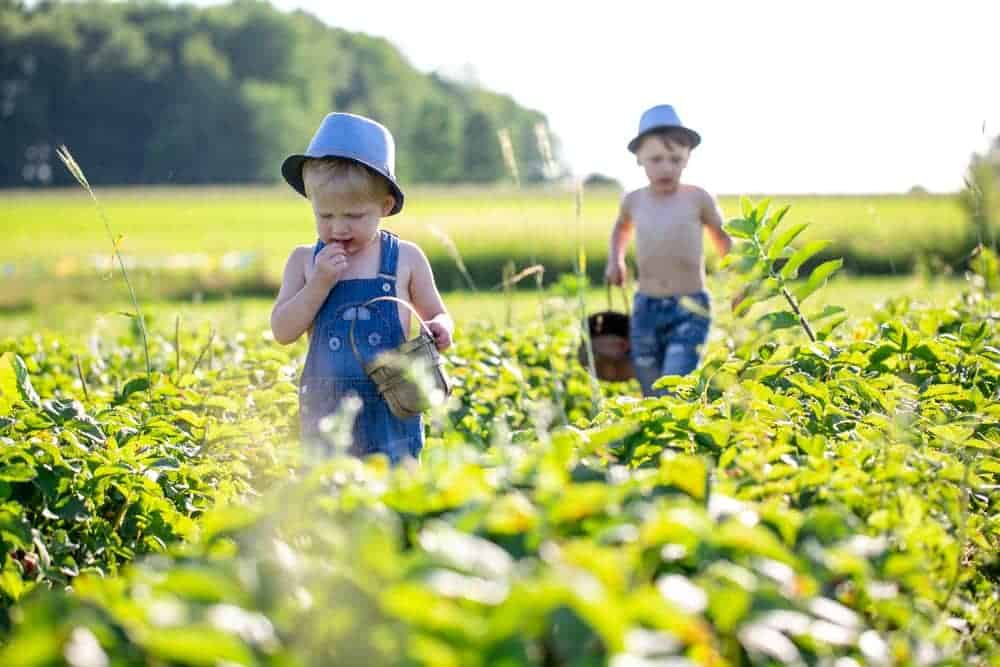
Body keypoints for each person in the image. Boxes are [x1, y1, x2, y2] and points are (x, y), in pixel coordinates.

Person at [271, 112, 453, 463]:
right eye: (325, 216)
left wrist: (441, 328)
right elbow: (282, 330)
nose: (338, 227)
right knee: (330, 496)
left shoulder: (406, 259)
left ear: (384, 207)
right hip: (327, 413)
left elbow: (437, 313)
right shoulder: (303, 262)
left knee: (395, 488)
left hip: (393, 405)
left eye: (354, 216)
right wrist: (318, 285)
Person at [606, 104, 733, 396]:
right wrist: (616, 260)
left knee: (674, 386)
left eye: (675, 159)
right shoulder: (634, 201)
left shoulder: (697, 198)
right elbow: (621, 228)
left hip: (690, 308)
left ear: (688, 157)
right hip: (645, 308)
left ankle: (679, 435)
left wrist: (737, 277)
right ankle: (664, 441)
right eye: (656, 159)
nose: (666, 167)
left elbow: (722, 238)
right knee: (650, 389)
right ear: (639, 158)